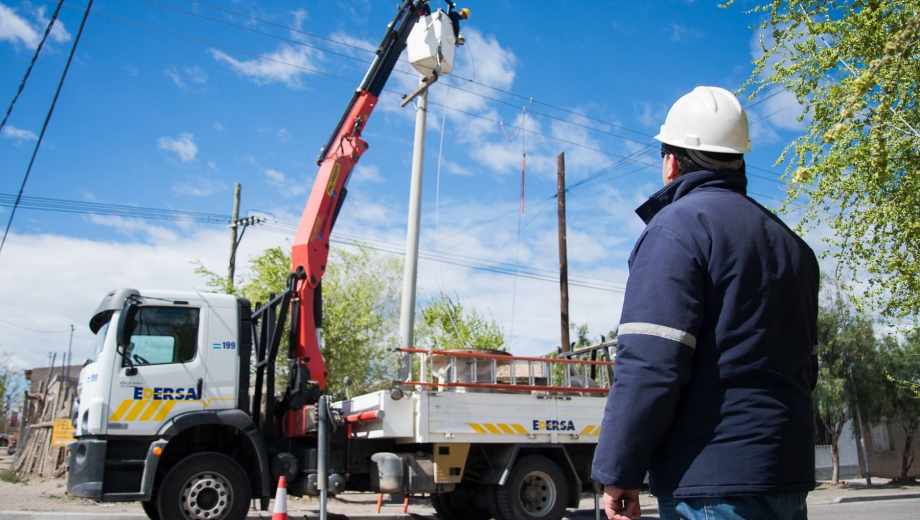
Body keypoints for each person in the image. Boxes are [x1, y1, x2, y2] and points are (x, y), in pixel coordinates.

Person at [591, 86, 819, 520]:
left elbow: (651, 364)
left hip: (710, 486)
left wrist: (618, 472)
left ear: (671, 161)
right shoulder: (794, 248)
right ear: (739, 161)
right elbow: (806, 368)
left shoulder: (676, 231)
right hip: (785, 479)